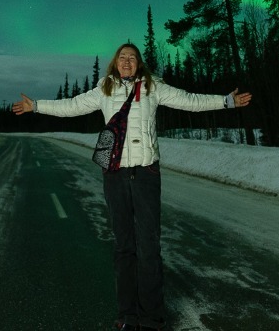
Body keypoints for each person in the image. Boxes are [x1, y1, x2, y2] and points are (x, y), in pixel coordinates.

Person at [13, 42, 252, 331]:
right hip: (114, 174)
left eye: (132, 58)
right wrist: (36, 105)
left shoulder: (154, 87)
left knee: (149, 247)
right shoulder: (104, 89)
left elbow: (190, 100)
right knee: (124, 246)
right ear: (115, 62)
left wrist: (225, 101)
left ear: (139, 64)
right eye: (122, 57)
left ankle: (151, 318)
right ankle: (127, 315)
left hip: (146, 173)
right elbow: (72, 106)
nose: (127, 61)